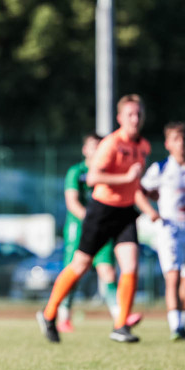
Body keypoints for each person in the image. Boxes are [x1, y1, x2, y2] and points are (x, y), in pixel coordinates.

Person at [36, 94, 158, 344]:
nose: (135, 119)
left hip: (125, 212)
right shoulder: (112, 144)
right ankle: (49, 314)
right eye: (130, 114)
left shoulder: (143, 146)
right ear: (120, 118)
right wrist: (126, 179)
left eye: (139, 114)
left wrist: (145, 191)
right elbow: (93, 178)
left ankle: (121, 325)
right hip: (101, 211)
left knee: (131, 265)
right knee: (80, 266)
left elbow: (133, 182)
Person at [57, 133, 140, 333]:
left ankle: (120, 317)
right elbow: (72, 202)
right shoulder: (77, 172)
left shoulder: (108, 171)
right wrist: (91, 220)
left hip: (102, 227)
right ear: (85, 150)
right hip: (80, 229)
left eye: (100, 145)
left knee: (108, 271)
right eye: (93, 146)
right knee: (75, 271)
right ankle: (62, 316)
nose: (96, 149)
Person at [140, 122, 185, 340]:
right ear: (168, 144)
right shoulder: (162, 167)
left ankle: (183, 324)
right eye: (176, 139)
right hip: (171, 229)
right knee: (173, 277)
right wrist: (151, 212)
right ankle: (175, 326)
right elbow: (140, 191)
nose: (182, 143)